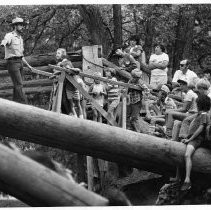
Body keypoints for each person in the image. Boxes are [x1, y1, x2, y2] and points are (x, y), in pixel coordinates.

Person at [180, 94, 211, 191]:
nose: (196, 105)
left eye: (197, 104)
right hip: (192, 138)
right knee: (181, 153)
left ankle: (187, 179)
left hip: (196, 139)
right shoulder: (199, 114)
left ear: (200, 105)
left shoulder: (204, 114)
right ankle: (178, 177)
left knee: (187, 155)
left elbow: (201, 127)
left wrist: (190, 139)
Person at [0, 17, 33, 103]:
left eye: (22, 25)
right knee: (19, 85)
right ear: (15, 26)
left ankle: (15, 104)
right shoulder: (10, 35)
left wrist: (29, 66)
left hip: (20, 62)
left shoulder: (20, 38)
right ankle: (25, 105)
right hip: (12, 63)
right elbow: (5, 41)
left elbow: (21, 55)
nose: (22, 26)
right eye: (20, 25)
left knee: (17, 85)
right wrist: (3, 44)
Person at [54, 48, 86, 118]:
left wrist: (60, 66)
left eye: (58, 53)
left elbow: (70, 70)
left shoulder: (67, 62)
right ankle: (74, 117)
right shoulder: (60, 63)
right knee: (68, 103)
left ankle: (80, 118)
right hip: (67, 85)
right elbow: (55, 72)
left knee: (77, 103)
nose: (56, 55)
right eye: (56, 53)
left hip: (74, 84)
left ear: (63, 54)